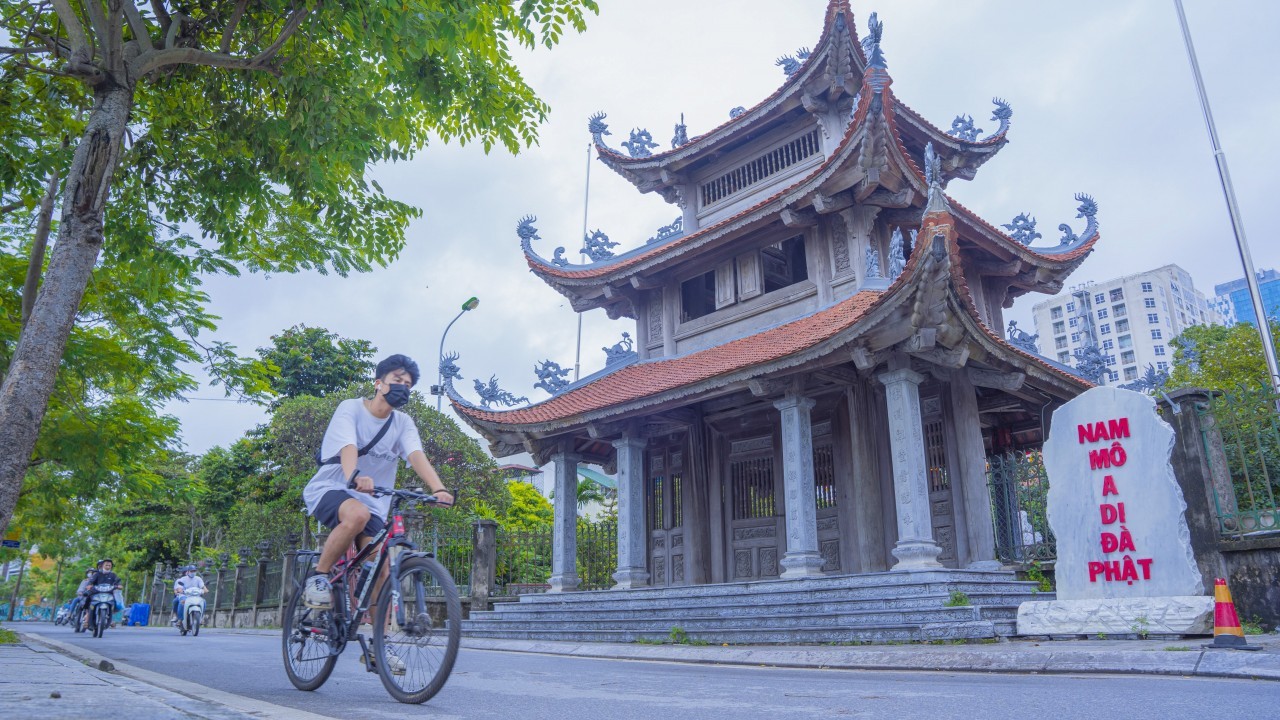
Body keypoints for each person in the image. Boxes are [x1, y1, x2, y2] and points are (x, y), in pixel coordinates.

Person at [300, 355, 454, 674]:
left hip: (374, 502)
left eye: (408, 385)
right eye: (397, 380)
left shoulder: (402, 423)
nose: (403, 387)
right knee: (354, 515)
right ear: (379, 382)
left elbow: (416, 455)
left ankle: (378, 646)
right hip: (331, 488)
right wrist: (354, 475)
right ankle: (319, 576)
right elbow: (347, 447)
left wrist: (438, 488)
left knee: (382, 569)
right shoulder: (351, 409)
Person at [85, 559, 123, 630]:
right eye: (106, 565)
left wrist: (119, 585)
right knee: (89, 601)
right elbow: (90, 581)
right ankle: (88, 620)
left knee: (115, 602)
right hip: (96, 594)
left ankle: (110, 618)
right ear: (102, 565)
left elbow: (118, 582)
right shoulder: (97, 574)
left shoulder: (113, 575)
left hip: (109, 594)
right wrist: (89, 585)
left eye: (109, 565)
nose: (108, 566)